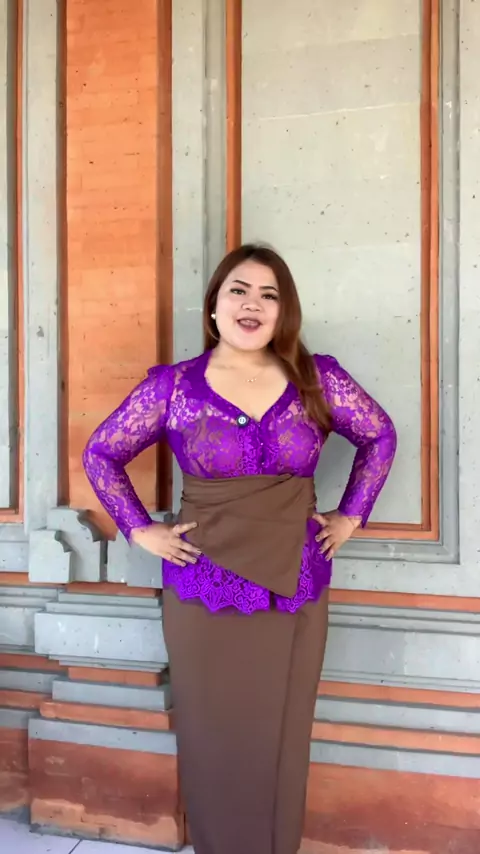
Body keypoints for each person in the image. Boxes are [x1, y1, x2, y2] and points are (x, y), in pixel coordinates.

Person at [83, 243, 397, 854]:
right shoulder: (174, 387)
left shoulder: (317, 377)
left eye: (269, 295)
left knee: (282, 736)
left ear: (284, 312)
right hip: (204, 585)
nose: (253, 304)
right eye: (239, 290)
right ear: (214, 306)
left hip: (296, 584)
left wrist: (352, 515)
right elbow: (101, 453)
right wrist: (140, 529)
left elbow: (379, 435)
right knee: (214, 737)